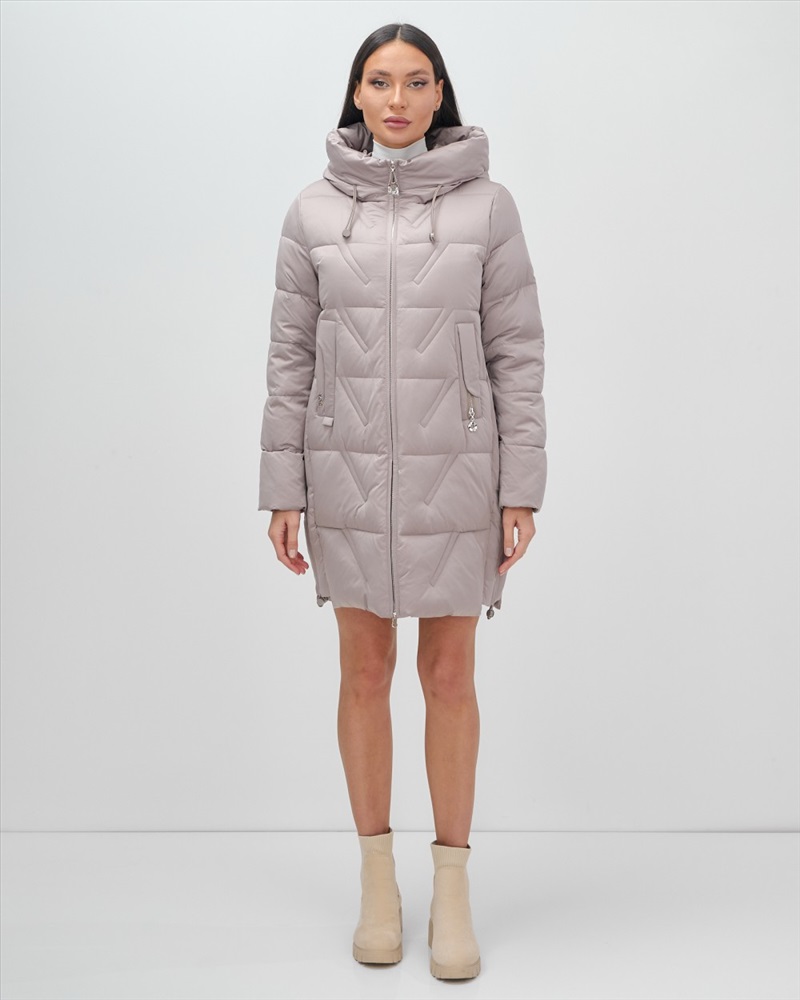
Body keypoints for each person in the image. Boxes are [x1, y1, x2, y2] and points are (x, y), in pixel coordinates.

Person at [258, 22, 547, 981]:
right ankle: (377, 885)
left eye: (416, 82)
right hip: (342, 468)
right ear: (356, 93)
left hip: (457, 468)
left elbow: (516, 351)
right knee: (364, 673)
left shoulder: (488, 207)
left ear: (439, 94)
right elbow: (290, 357)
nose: (397, 100)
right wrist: (282, 485)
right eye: (379, 82)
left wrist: (521, 484)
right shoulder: (311, 210)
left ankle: (452, 891)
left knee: (451, 676)